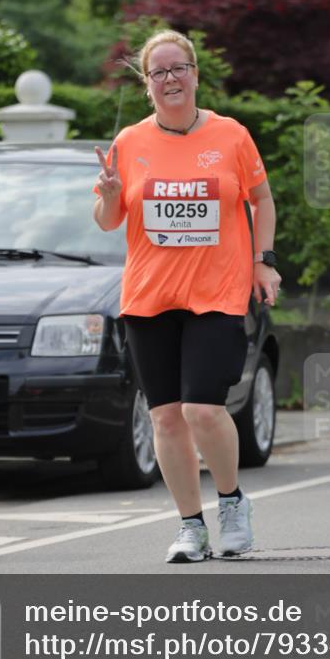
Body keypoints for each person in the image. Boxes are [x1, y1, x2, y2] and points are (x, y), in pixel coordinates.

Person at [93, 29, 280, 562]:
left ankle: (231, 502)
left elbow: (262, 200)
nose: (170, 79)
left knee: (202, 408)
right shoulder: (129, 143)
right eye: (159, 72)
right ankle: (190, 526)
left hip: (217, 293)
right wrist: (107, 197)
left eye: (179, 68)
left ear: (195, 74)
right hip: (149, 298)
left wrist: (262, 261)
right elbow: (109, 222)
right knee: (165, 417)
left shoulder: (232, 135)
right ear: (147, 83)